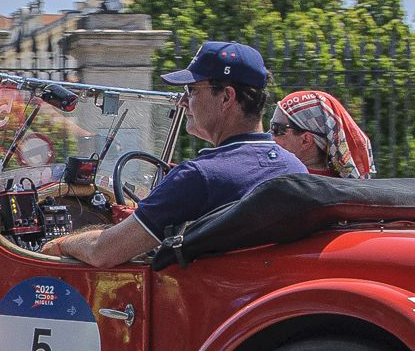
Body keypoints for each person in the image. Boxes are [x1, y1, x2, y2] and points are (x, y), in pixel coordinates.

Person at [42, 41, 303, 266]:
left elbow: (103, 251)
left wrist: (61, 243)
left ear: (226, 98)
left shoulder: (199, 177)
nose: (182, 101)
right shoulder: (293, 168)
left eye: (191, 91)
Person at [271, 89, 374, 179]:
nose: (268, 135)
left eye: (276, 129)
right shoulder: (350, 188)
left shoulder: (279, 181)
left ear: (306, 140)